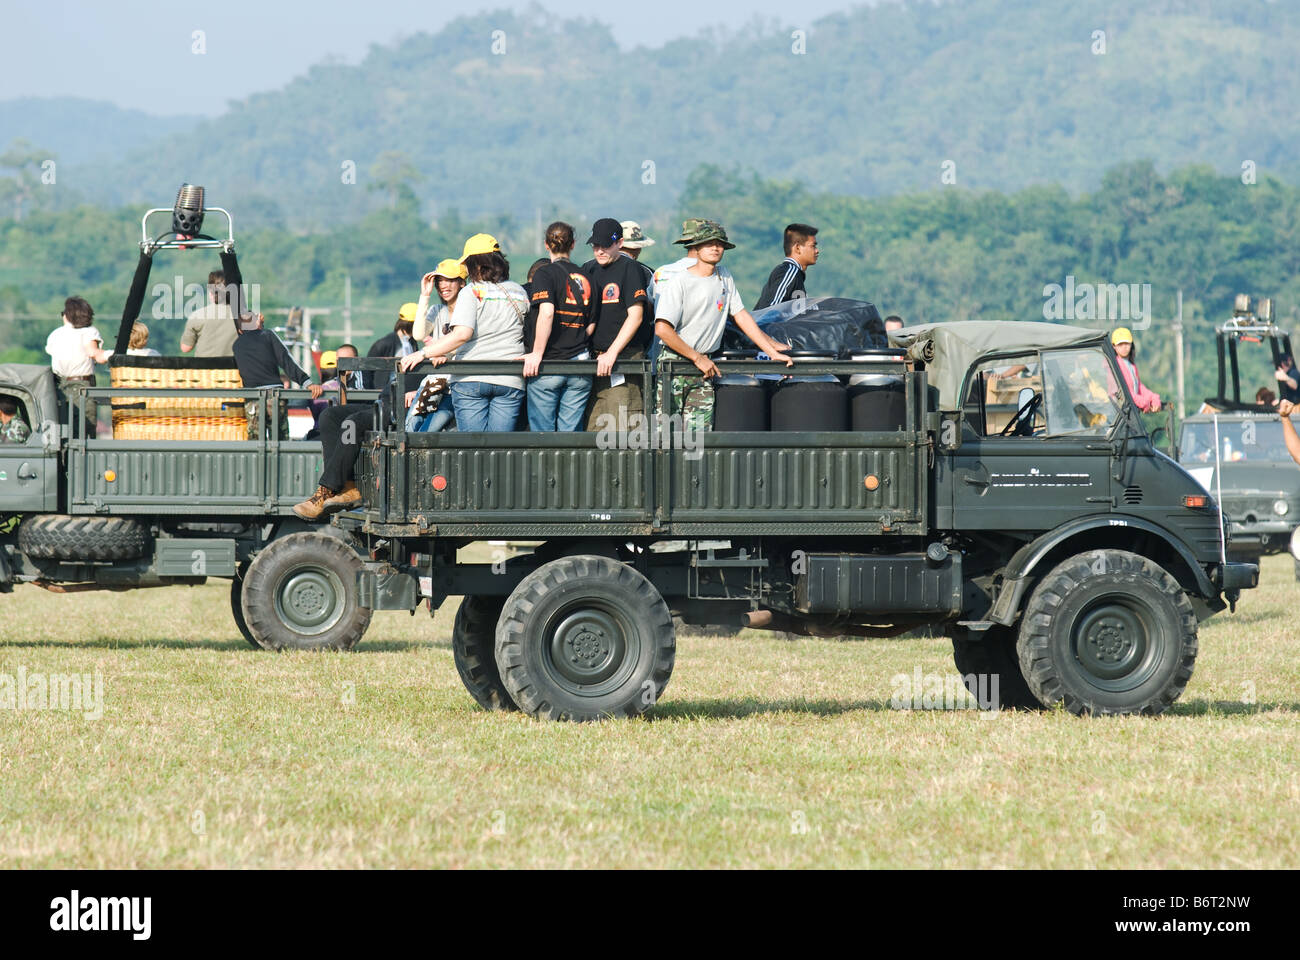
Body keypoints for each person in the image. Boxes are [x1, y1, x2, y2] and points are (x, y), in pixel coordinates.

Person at [654, 219, 793, 431]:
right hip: (676, 362)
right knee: (665, 434)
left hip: (706, 365)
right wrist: (696, 358)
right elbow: (662, 329)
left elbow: (741, 316)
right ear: (696, 247)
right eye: (709, 243)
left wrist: (771, 351)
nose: (715, 248)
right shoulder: (679, 281)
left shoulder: (724, 276)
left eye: (719, 244)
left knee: (699, 437)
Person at [398, 233, 527, 432]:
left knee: (472, 448)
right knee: (499, 447)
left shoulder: (472, 291)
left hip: (471, 378)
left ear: (475, 264)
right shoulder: (518, 291)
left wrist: (422, 353)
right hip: (510, 378)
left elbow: (462, 335)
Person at [577, 218, 653, 429]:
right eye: (595, 246)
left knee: (622, 427)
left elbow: (636, 316)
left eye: (605, 245)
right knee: (593, 428)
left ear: (619, 243)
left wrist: (612, 353)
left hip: (623, 358)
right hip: (594, 360)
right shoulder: (588, 269)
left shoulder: (630, 268)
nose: (599, 251)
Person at [523, 221, 593, 432]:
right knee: (570, 435)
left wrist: (537, 353)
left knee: (542, 437)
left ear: (546, 245)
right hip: (580, 365)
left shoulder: (544, 274)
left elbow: (547, 313)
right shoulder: (587, 275)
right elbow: (591, 325)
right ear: (572, 245)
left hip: (549, 364)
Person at [231, 312, 322, 439]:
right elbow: (286, 360)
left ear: (240, 331)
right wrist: (307, 382)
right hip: (274, 395)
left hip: (252, 397)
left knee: (255, 441)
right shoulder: (267, 335)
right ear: (257, 323)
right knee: (280, 440)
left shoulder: (236, 345)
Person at [407, 259, 469, 433]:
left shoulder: (470, 311)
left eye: (449, 280)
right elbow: (419, 334)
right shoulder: (437, 310)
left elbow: (462, 339)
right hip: (435, 380)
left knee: (429, 430)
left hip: (456, 383)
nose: (443, 286)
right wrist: (424, 296)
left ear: (462, 283)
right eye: (439, 281)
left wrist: (443, 352)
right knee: (411, 426)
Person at [754, 223, 819, 310]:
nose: (817, 251)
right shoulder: (790, 272)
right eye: (813, 246)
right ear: (798, 248)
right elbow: (770, 311)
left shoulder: (795, 274)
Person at [180, 270, 237, 356]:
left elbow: (185, 348)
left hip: (204, 368)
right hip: (234, 368)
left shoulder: (196, 316)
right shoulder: (245, 316)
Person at [363, 305, 419, 389]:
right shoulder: (384, 343)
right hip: (385, 391)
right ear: (412, 324)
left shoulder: (412, 342)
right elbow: (366, 369)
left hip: (406, 389)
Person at [1111, 327, 1160, 413]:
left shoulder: (1131, 365)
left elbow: (1139, 386)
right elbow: (1126, 392)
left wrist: (1154, 398)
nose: (1124, 347)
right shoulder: (1115, 365)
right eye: (1120, 344)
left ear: (1131, 344)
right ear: (1114, 346)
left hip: (1130, 411)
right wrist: (1145, 403)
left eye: (1126, 343)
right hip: (1119, 413)